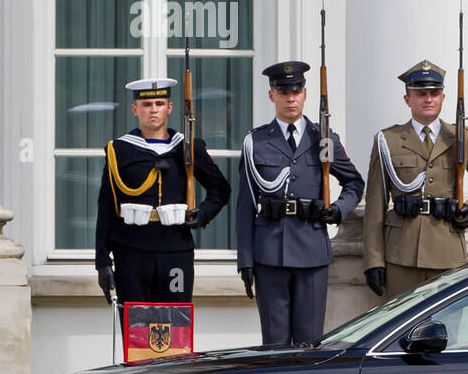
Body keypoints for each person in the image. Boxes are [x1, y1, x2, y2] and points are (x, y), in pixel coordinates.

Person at [236, 61, 364, 345]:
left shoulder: (323, 138)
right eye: (283, 92)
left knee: (310, 341)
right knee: (274, 342)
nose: (290, 98)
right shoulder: (255, 142)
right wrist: (245, 260)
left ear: (305, 94)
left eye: (296, 91)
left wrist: (338, 209)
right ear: (272, 96)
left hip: (311, 251)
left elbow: (354, 182)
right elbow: (245, 205)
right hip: (269, 253)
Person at [362, 60, 468, 298]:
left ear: (443, 98)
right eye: (421, 94)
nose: (428, 99)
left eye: (434, 94)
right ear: (408, 100)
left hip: (446, 249)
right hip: (401, 253)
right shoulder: (388, 140)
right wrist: (374, 260)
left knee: (446, 329)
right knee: (400, 328)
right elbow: (375, 204)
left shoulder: (461, 138)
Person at [95, 77, 231, 312]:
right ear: (135, 109)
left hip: (175, 250)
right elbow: (107, 205)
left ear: (169, 108)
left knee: (175, 326)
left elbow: (220, 189)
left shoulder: (188, 147)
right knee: (136, 331)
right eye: (147, 105)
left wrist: (204, 213)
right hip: (131, 251)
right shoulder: (119, 150)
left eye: (159, 103)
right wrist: (102, 261)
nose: (153, 110)